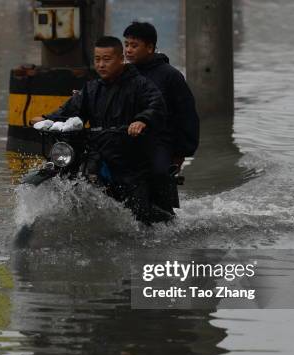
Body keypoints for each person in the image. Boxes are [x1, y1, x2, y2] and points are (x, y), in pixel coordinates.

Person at [30, 36, 171, 224]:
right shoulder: (92, 88)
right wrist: (47, 119)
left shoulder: (140, 85)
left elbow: (156, 105)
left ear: (120, 59)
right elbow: (71, 110)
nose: (101, 64)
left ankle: (150, 227)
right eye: (97, 59)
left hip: (129, 155)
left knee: (140, 212)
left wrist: (141, 121)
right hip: (98, 149)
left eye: (107, 59)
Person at [123, 21, 200, 211]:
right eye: (126, 45)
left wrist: (181, 152)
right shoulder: (123, 74)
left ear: (150, 47)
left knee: (159, 174)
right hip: (125, 138)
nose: (128, 50)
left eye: (134, 45)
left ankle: (166, 217)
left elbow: (187, 115)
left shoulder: (170, 76)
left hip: (160, 141)